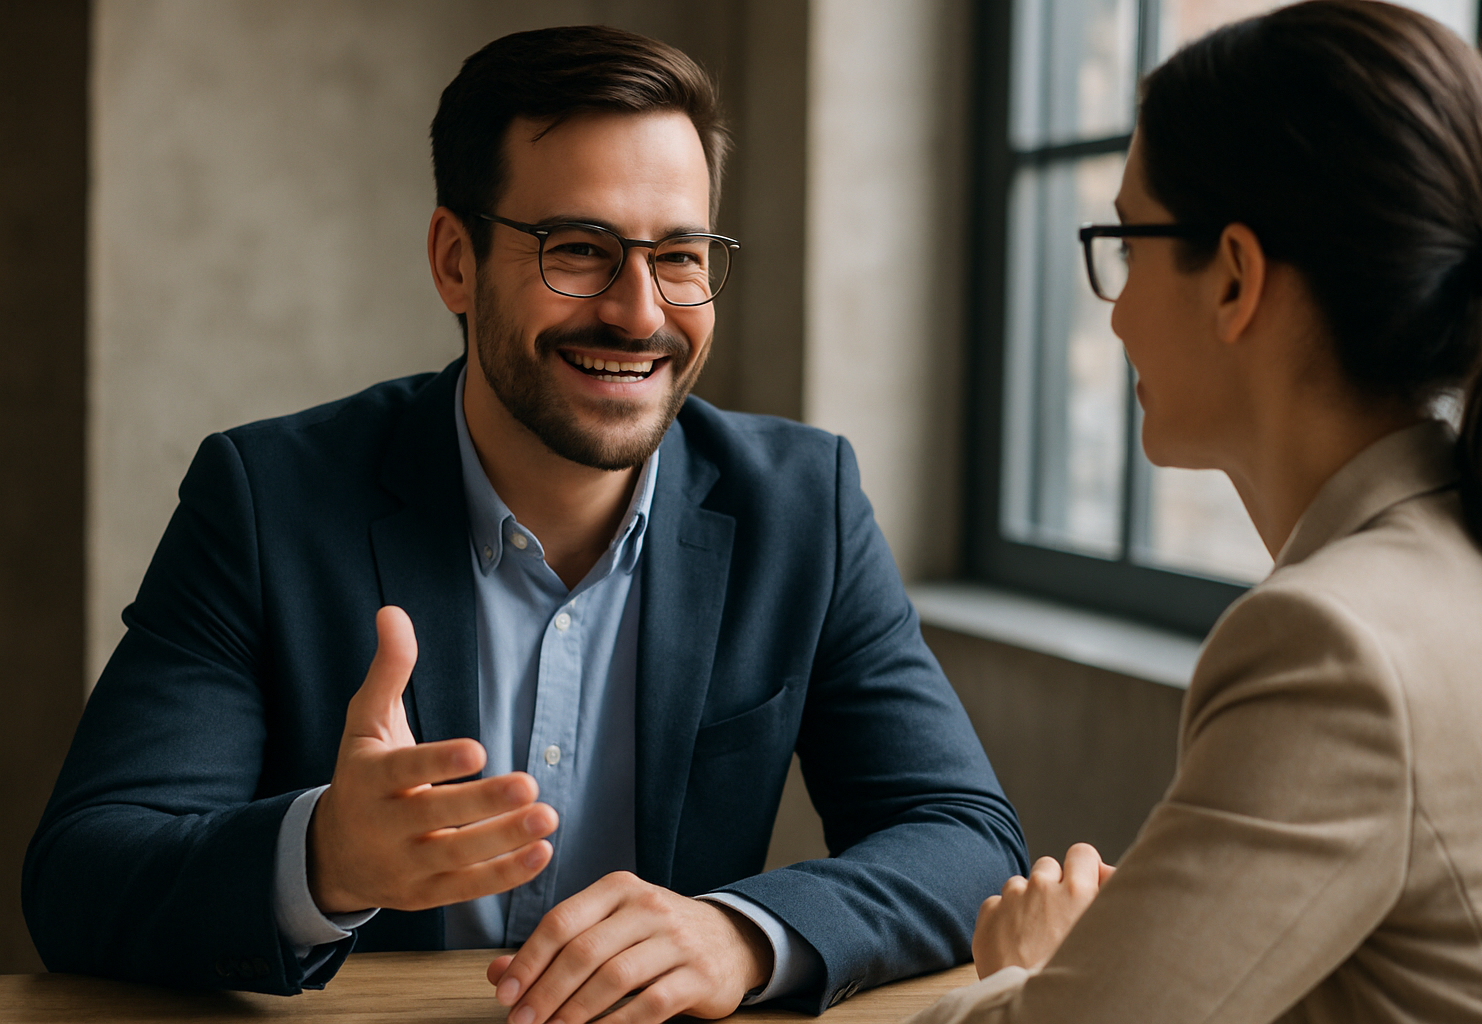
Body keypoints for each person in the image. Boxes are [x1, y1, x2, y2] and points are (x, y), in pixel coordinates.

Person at [23, 25, 1027, 1022]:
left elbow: (966, 836)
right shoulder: (265, 499)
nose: (640, 313)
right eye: (580, 251)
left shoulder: (803, 506)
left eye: (679, 255)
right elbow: (82, 875)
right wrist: (323, 857)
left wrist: (738, 932)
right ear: (455, 261)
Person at [907, 2, 1482, 1022]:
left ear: (1236, 277)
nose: (1113, 308)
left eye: (1129, 240)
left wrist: (1034, 967)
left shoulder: (1339, 647)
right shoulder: (1481, 553)